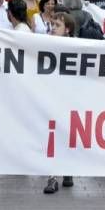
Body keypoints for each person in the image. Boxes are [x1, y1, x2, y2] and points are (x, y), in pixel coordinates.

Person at [43, 12, 76, 194]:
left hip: (70, 99)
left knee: (68, 135)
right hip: (51, 98)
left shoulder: (79, 46)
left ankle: (68, 170)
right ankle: (52, 177)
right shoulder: (45, 44)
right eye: (52, 25)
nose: (53, 28)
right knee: (52, 136)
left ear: (67, 30)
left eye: (57, 26)